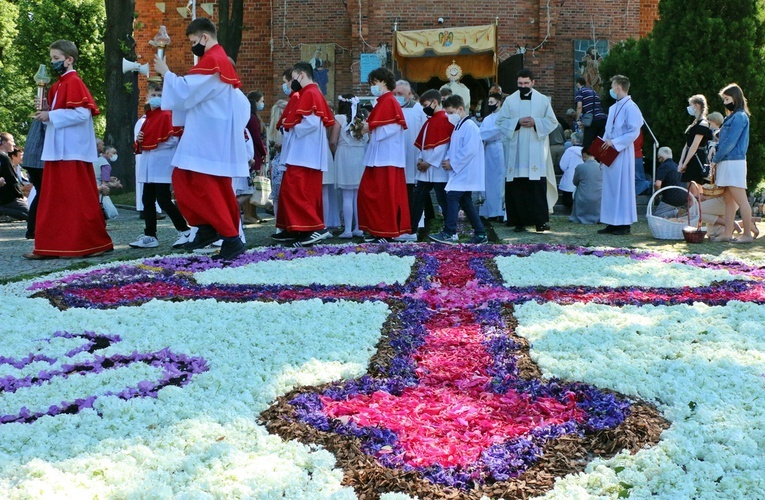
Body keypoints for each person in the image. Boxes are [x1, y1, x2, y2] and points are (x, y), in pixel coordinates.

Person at [153, 18, 251, 261]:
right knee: (198, 183)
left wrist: (166, 73)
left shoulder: (214, 61)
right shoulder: (217, 60)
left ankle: (227, 236)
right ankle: (212, 229)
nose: (193, 46)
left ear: (204, 37)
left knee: (205, 187)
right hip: (208, 134)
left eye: (194, 42)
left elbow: (185, 91)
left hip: (208, 137)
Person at [25, 40, 113, 259]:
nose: (53, 62)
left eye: (56, 58)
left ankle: (91, 244)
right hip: (57, 150)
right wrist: (45, 113)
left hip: (72, 151)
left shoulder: (74, 81)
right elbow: (57, 117)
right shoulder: (57, 85)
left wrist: (51, 115)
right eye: (52, 58)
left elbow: (82, 114)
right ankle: (50, 246)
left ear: (69, 59)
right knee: (53, 201)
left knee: (77, 200)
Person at [273, 61, 335, 246]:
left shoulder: (311, 93)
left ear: (301, 75)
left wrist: (290, 127)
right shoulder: (308, 93)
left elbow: (312, 124)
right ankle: (297, 229)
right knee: (291, 190)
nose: (291, 82)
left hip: (306, 154)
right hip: (300, 153)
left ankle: (316, 228)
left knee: (298, 192)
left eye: (293, 78)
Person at [130, 80, 192, 249]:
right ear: (147, 96)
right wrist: (141, 140)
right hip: (150, 164)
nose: (156, 98)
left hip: (162, 163)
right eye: (153, 95)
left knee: (164, 200)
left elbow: (173, 140)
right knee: (147, 199)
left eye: (160, 95)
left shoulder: (167, 115)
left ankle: (184, 230)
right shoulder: (149, 117)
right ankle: (150, 235)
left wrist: (149, 140)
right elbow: (144, 141)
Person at [495, 69, 558, 233]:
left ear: (533, 82)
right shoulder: (509, 101)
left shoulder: (543, 100)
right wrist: (517, 122)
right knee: (517, 189)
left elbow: (552, 121)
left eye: (526, 83)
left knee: (536, 189)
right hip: (515, 153)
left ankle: (541, 222)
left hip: (535, 152)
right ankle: (519, 221)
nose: (523, 86)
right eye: (520, 83)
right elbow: (500, 121)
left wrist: (536, 122)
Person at [357, 67, 412, 242]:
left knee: (384, 197)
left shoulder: (389, 101)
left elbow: (393, 127)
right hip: (378, 156)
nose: (373, 86)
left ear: (384, 82)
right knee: (369, 193)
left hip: (387, 158)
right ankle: (375, 229)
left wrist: (370, 128)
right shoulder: (381, 102)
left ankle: (385, 231)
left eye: (375, 82)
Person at [429, 95, 487, 244]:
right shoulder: (459, 125)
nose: (448, 116)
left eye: (450, 112)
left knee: (452, 197)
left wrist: (453, 163)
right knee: (465, 201)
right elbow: (454, 147)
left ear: (460, 109)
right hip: (460, 170)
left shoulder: (470, 126)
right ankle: (480, 233)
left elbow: (469, 150)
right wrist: (448, 160)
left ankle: (450, 231)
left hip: (465, 170)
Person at [597, 74, 643, 236]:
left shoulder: (631, 107)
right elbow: (608, 131)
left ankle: (623, 224)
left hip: (622, 152)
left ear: (618, 88)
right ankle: (611, 221)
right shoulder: (614, 107)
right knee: (610, 188)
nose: (611, 90)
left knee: (622, 187)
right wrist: (602, 151)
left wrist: (615, 142)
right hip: (610, 152)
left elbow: (634, 132)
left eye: (612, 87)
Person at [710, 83, 754, 243]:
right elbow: (725, 139)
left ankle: (747, 235)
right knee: (729, 200)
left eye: (727, 99)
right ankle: (728, 233)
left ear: (735, 98)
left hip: (733, 163)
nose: (725, 102)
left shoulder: (740, 117)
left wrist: (715, 159)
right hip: (728, 161)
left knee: (741, 201)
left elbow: (730, 143)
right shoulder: (732, 116)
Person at [411, 89, 453, 237]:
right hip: (425, 170)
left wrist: (428, 162)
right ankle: (411, 229)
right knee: (417, 199)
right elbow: (422, 143)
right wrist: (420, 159)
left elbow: (442, 147)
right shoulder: (430, 121)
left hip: (438, 170)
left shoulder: (444, 119)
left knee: (443, 200)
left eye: (427, 105)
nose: (425, 108)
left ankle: (451, 230)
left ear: (435, 103)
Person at [392, 79, 426, 241]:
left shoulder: (418, 110)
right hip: (395, 157)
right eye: (395, 94)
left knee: (412, 192)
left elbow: (425, 134)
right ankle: (397, 225)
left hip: (412, 156)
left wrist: (422, 156)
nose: (397, 97)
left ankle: (413, 226)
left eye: (401, 94)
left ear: (410, 94)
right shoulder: (391, 108)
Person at [330, 94, 367, 238]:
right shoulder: (361, 119)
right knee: (357, 195)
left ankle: (348, 230)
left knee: (347, 194)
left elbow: (333, 141)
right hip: (359, 154)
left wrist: (335, 152)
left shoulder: (339, 119)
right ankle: (359, 227)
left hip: (344, 154)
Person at [478, 92, 505, 220]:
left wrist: (480, 134)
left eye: (491, 102)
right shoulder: (487, 118)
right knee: (489, 180)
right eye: (488, 103)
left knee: (500, 180)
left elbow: (498, 131)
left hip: (500, 149)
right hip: (488, 150)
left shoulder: (504, 116)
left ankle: (500, 211)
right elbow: (483, 132)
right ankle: (490, 210)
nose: (489, 105)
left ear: (498, 103)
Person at [678, 94, 713, 190]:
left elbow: (694, 145)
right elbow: (687, 145)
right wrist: (681, 162)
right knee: (689, 191)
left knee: (695, 191)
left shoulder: (703, 124)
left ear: (697, 105)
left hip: (697, 158)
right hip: (690, 158)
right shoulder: (694, 123)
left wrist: (685, 163)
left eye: (691, 104)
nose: (689, 107)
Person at [244, 90, 268, 224]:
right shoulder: (252, 118)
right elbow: (256, 138)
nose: (262, 104)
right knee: (250, 186)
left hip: (256, 153)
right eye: (261, 101)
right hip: (254, 154)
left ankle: (253, 213)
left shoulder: (253, 117)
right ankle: (248, 214)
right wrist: (264, 152)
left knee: (254, 185)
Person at [22, 119, 45, 239]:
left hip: (33, 159)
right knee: (43, 194)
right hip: (40, 160)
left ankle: (32, 229)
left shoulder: (40, 116)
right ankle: (33, 229)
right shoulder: (47, 116)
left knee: (41, 193)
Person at [267, 97, 288, 219]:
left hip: (275, 164)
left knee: (276, 197)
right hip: (284, 163)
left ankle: (278, 223)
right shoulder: (283, 127)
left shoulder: (271, 129)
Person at [0, 133, 29, 221]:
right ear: (4, 143)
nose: (14, 144)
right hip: (8, 197)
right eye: (12, 141)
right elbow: (11, 180)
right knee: (32, 214)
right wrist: (20, 195)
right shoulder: (4, 157)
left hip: (3, 196)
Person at [652, 147, 687, 218]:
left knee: (657, 216)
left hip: (670, 198)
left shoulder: (664, 166)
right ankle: (679, 212)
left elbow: (657, 184)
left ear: (661, 158)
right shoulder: (676, 166)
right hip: (683, 196)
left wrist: (657, 194)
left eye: (658, 159)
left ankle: (676, 213)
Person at [574, 76, 607, 153]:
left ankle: (588, 162)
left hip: (592, 120)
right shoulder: (593, 92)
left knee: (587, 144)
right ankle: (598, 162)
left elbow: (579, 107)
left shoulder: (580, 92)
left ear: (578, 84)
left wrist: (577, 119)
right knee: (599, 144)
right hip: (602, 118)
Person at [569, 150, 602, 224]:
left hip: (583, 198)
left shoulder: (580, 167)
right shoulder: (602, 167)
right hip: (599, 198)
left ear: (584, 155)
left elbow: (575, 182)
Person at [558, 132, 584, 209]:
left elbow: (563, 165)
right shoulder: (585, 151)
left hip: (570, 177)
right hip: (582, 177)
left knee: (568, 198)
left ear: (573, 140)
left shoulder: (569, 151)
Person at [633, 129, 651, 196]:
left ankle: (648, 184)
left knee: (638, 179)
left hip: (633, 155)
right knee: (639, 178)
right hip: (637, 155)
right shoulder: (639, 130)